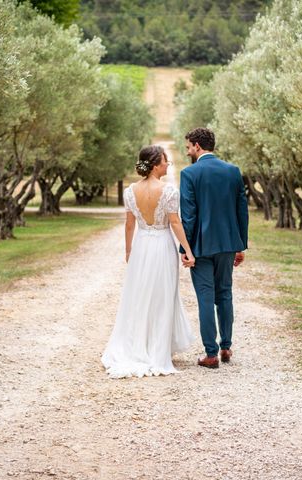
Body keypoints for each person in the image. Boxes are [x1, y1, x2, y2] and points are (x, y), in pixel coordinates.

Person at [101, 145, 195, 378]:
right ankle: (157, 350)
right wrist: (189, 251)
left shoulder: (131, 191)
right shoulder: (169, 191)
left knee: (139, 296)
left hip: (142, 247)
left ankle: (139, 346)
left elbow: (129, 224)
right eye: (165, 161)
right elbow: (175, 223)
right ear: (155, 165)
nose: (167, 165)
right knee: (162, 296)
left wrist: (128, 250)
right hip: (162, 246)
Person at [180, 127, 249, 369]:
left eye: (189, 146)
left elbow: (188, 217)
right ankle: (226, 347)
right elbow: (242, 212)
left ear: (198, 146)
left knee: (206, 299)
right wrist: (240, 246)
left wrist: (184, 250)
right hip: (228, 244)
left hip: (199, 247)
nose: (188, 151)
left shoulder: (189, 174)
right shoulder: (233, 171)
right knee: (225, 294)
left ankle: (210, 354)